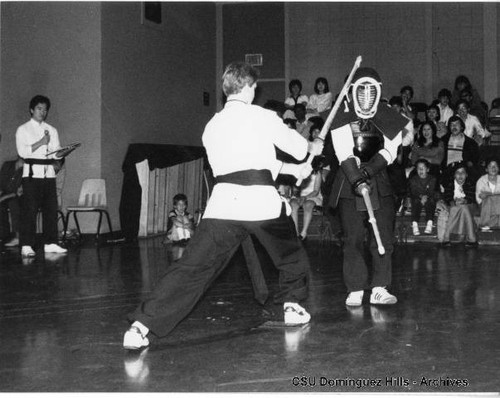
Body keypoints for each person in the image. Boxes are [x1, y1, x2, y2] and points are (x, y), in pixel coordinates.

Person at [123, 61, 324, 350]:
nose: (255, 91)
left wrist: (298, 171)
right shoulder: (262, 116)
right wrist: (311, 148)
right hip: (260, 204)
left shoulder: (212, 125)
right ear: (248, 88)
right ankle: (292, 306)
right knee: (290, 254)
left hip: (223, 207)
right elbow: (297, 148)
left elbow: (258, 162)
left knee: (191, 268)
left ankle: (141, 326)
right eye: (254, 86)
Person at [328, 67, 407, 307]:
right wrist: (356, 177)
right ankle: (355, 288)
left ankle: (380, 287)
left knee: (383, 234)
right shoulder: (340, 115)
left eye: (370, 91)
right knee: (352, 237)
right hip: (348, 181)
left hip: (379, 179)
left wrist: (369, 171)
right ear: (353, 91)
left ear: (378, 91)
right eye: (361, 90)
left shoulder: (388, 115)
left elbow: (391, 150)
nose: (366, 96)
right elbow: (343, 150)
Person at [15, 95, 68, 257]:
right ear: (32, 110)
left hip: (48, 174)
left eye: (45, 109)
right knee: (30, 210)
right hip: (32, 174)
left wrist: (63, 152)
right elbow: (23, 152)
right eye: (39, 108)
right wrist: (41, 142)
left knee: (50, 210)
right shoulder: (23, 129)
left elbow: (56, 153)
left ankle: (50, 243)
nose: (42, 112)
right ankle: (26, 244)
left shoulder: (52, 130)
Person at [290, 129, 325, 241]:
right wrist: (298, 196)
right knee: (293, 204)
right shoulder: (300, 170)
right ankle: (295, 232)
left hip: (313, 197)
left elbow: (315, 191)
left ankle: (303, 232)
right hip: (301, 196)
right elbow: (296, 187)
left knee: (308, 204)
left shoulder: (317, 172)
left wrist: (305, 197)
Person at [437, 162, 478, 247]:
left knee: (463, 207)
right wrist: (454, 202)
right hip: (454, 206)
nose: (460, 175)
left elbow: (472, 197)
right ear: (454, 175)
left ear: (466, 175)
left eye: (462, 172)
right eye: (457, 173)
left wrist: (465, 201)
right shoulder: (450, 184)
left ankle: (446, 237)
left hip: (470, 206)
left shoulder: (470, 184)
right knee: (456, 208)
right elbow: (447, 197)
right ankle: (472, 238)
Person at [440, 115, 480, 186]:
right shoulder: (443, 140)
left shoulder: (470, 143)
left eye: (457, 124)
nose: (454, 127)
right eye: (452, 125)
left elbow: (475, 159)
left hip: (463, 169)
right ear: (449, 127)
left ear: (462, 127)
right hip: (448, 170)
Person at [408, 159, 439, 236]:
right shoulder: (414, 179)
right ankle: (414, 224)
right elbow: (413, 191)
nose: (420, 170)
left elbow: (431, 190)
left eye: (423, 168)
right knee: (415, 201)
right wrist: (421, 196)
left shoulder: (432, 178)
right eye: (418, 168)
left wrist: (426, 196)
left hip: (429, 196)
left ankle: (430, 222)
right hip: (418, 197)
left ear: (427, 169)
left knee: (431, 201)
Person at [0, 157, 24, 246]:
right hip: (5, 193)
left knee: (14, 203)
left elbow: (18, 192)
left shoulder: (27, 170)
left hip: (17, 196)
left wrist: (2, 198)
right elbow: (1, 184)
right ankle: (3, 235)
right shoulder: (7, 165)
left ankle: (17, 237)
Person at [475, 158, 500, 231]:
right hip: (485, 206)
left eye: (495, 166)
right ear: (486, 169)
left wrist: (490, 194)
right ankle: (486, 224)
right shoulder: (481, 180)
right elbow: (479, 199)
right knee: (489, 199)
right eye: (490, 166)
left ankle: (486, 226)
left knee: (496, 199)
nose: (493, 168)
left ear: (498, 169)